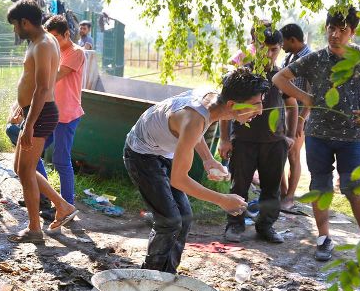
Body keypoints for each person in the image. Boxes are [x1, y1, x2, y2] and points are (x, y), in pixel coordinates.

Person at [273, 7, 360, 268]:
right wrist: (307, 98)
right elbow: (280, 77)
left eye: (342, 30)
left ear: (353, 32)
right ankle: (323, 240)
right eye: (331, 29)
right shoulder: (316, 59)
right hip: (318, 135)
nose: (335, 34)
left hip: (353, 136)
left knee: (354, 189)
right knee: (320, 188)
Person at [123, 69, 266, 273]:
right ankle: (150, 275)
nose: (260, 111)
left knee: (184, 217)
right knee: (169, 221)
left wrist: (208, 160)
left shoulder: (214, 101)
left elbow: (193, 133)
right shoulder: (195, 119)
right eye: (256, 105)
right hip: (141, 153)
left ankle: (167, 275)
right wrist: (222, 200)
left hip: (164, 150)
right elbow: (179, 180)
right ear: (232, 105)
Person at [6, 0, 77, 243]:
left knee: (26, 170)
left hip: (41, 113)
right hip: (34, 112)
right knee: (21, 169)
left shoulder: (44, 44)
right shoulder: (40, 41)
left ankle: (35, 229)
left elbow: (43, 87)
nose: (15, 30)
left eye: (16, 25)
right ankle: (62, 205)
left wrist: (29, 124)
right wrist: (21, 109)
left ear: (25, 22)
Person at [218, 28, 296, 243]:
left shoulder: (282, 77)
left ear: (280, 49)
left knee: (272, 188)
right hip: (243, 141)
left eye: (274, 50)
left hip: (275, 143)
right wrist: (225, 139)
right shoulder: (241, 75)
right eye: (264, 49)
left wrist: (290, 135)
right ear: (255, 46)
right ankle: (234, 225)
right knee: (239, 186)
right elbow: (225, 109)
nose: (268, 55)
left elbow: (292, 105)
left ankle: (266, 226)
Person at [44, 14, 86, 211]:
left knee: (61, 160)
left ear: (67, 33)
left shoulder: (76, 53)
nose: (52, 42)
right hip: (51, 113)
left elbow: (55, 76)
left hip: (67, 116)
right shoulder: (55, 52)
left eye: (55, 38)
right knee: (30, 153)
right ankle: (46, 196)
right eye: (49, 38)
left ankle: (67, 204)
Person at [278, 23, 313, 209]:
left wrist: (301, 120)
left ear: (292, 40)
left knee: (293, 154)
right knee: (280, 152)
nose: (281, 45)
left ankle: (290, 197)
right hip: (285, 113)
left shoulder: (309, 58)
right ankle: (282, 193)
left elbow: (312, 94)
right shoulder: (290, 57)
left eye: (283, 42)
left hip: (300, 116)